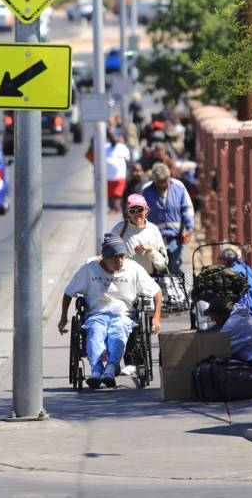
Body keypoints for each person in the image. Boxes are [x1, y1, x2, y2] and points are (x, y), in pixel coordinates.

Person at [57, 237, 162, 389]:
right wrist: (63, 318)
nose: (120, 261)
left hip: (123, 314)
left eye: (122, 256)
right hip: (96, 314)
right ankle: (96, 370)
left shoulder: (133, 269)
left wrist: (156, 318)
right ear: (105, 257)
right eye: (115, 257)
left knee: (117, 333)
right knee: (95, 333)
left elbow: (157, 291)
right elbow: (68, 292)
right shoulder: (89, 269)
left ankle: (111, 368)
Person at [142, 162, 194, 273]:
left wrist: (189, 228)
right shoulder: (146, 191)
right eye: (161, 182)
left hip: (174, 235)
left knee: (173, 263)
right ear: (155, 181)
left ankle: (175, 280)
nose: (165, 184)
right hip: (155, 238)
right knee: (158, 266)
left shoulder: (179, 187)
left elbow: (187, 208)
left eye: (166, 180)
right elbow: (141, 214)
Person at [205, 296, 252, 361]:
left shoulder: (234, 324)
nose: (215, 321)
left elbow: (217, 353)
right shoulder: (240, 318)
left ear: (223, 314)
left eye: (215, 318)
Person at [110, 194, 168, 276]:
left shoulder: (153, 230)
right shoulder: (118, 229)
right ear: (127, 212)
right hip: (125, 279)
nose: (136, 214)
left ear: (146, 210)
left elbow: (163, 264)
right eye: (132, 211)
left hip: (148, 279)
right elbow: (108, 258)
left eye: (140, 210)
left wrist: (150, 250)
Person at [218, 246, 252, 317]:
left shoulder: (232, 272)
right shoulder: (245, 267)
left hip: (241, 312)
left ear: (225, 260)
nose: (219, 263)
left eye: (220, 260)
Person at [105, 133, 130, 212]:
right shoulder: (106, 147)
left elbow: (127, 159)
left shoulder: (122, 147)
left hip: (120, 176)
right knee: (110, 194)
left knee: (118, 193)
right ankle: (112, 208)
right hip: (108, 176)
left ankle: (116, 208)